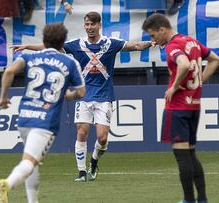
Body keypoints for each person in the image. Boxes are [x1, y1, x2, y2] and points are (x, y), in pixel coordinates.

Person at [11, 11, 154, 182]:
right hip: (84, 95)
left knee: (102, 138)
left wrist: (152, 42)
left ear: (99, 25)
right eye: (86, 24)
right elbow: (51, 47)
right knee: (82, 132)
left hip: (104, 95)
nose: (89, 27)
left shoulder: (110, 44)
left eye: (92, 24)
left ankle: (93, 161)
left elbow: (136, 46)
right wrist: (27, 46)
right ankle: (81, 172)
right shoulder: (76, 44)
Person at [0, 22, 85, 203]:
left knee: (31, 161)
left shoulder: (29, 56)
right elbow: (81, 92)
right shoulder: (70, 62)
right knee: (30, 162)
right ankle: (8, 183)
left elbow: (9, 71)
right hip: (45, 121)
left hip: (25, 117)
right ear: (62, 43)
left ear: (44, 39)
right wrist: (66, 96)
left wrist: (3, 97)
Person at [142, 13, 219, 203]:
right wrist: (200, 80)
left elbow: (183, 64)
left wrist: (174, 87)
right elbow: (215, 59)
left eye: (153, 35)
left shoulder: (173, 45)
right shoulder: (191, 41)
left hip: (178, 107)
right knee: (191, 153)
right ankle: (202, 199)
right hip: (194, 105)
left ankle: (188, 199)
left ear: (162, 29)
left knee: (182, 156)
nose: (153, 40)